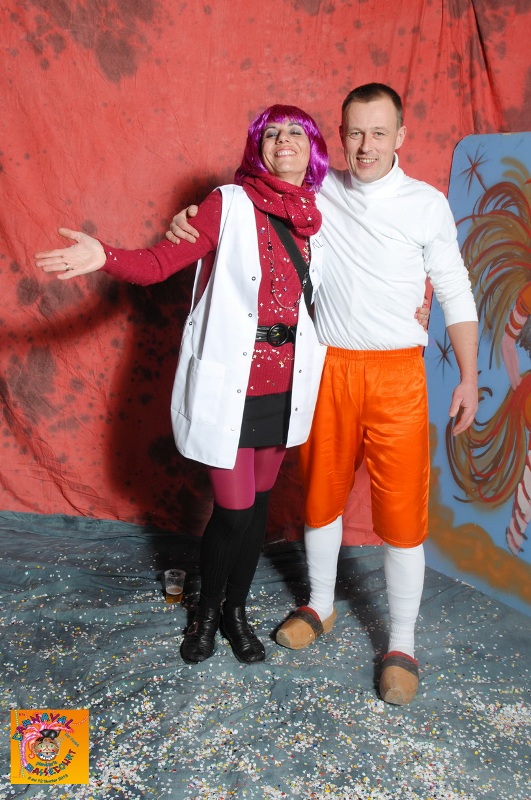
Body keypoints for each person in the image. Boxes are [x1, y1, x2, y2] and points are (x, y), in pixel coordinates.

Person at [165, 83, 479, 704]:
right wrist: (189, 220)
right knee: (321, 500)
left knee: (402, 518)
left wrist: (469, 377)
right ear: (339, 135)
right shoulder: (316, 192)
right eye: (355, 132)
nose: (366, 146)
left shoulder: (426, 203)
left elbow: (455, 289)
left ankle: (402, 643)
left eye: (379, 133)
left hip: (397, 375)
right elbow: (246, 204)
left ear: (400, 136)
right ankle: (320, 605)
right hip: (329, 367)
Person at [34, 104, 330, 666]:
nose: (283, 140)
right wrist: (104, 255)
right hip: (234, 380)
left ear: (312, 147)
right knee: (234, 509)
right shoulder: (228, 203)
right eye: (271, 133)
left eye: (295, 131)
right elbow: (158, 263)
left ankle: (235, 613)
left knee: (259, 507)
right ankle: (206, 613)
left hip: (288, 383)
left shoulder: (321, 213)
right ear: (258, 148)